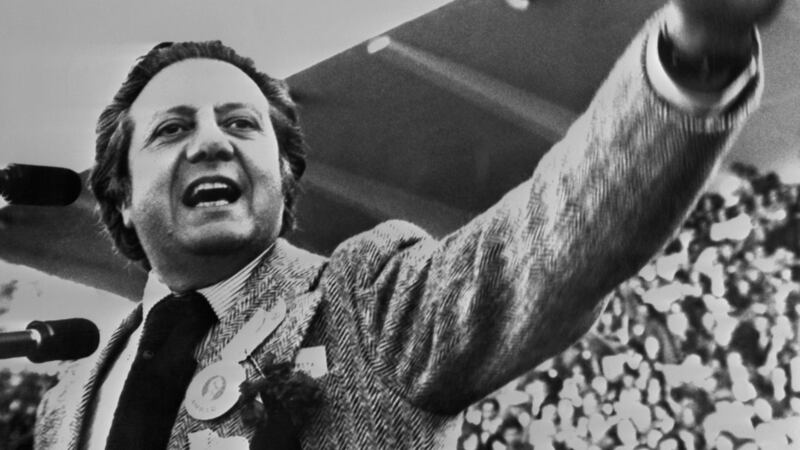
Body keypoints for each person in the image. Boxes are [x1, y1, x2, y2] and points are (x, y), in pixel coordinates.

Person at [35, 0, 784, 448]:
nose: (212, 142)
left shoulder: (365, 303)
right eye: (172, 129)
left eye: (241, 123)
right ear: (120, 196)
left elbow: (546, 246)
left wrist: (694, 51)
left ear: (284, 177)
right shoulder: (68, 399)